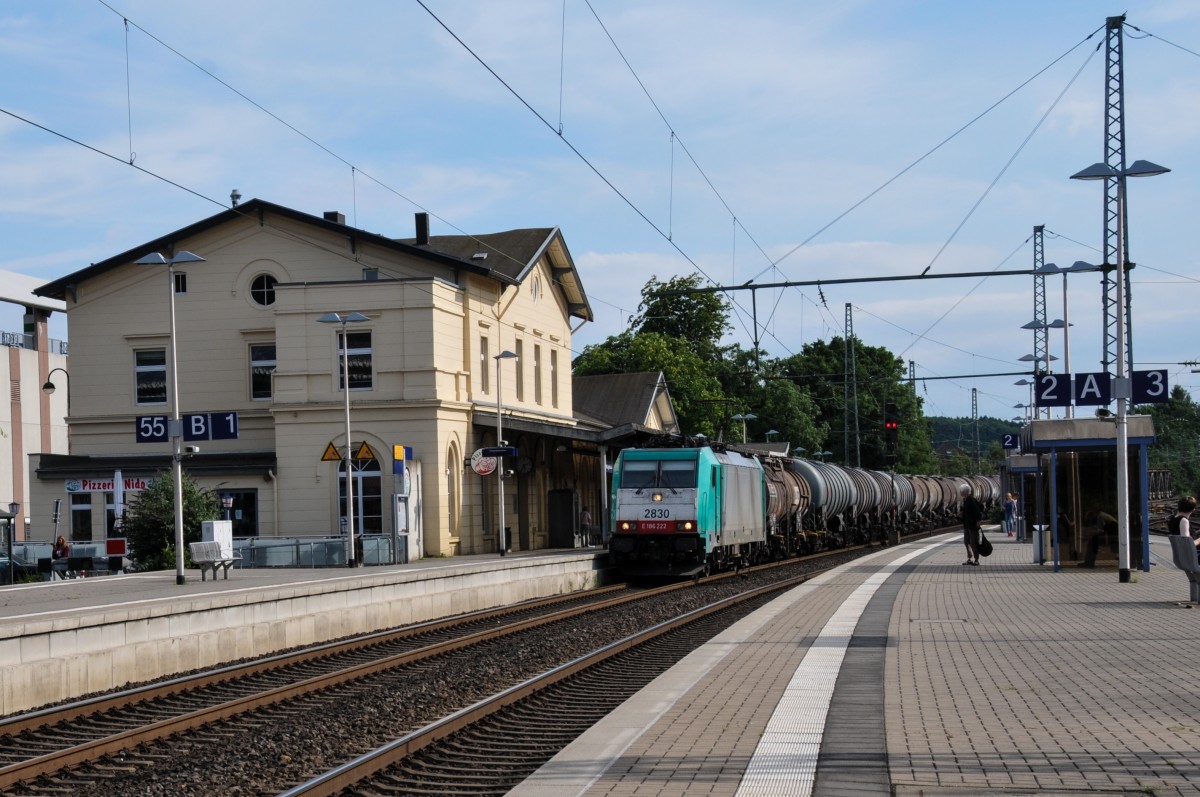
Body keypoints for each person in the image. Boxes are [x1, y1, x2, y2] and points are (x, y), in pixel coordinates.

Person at [959, 484, 982, 566]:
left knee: (973, 542)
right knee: (966, 542)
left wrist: (978, 523)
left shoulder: (972, 500)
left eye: (961, 491)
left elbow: (977, 512)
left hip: (972, 525)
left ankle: (976, 559)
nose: (960, 492)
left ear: (965, 492)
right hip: (967, 525)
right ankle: (969, 558)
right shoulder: (965, 500)